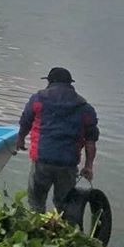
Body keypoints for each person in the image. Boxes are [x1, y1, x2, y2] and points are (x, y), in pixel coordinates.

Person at [16, 67, 99, 214]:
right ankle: (63, 231)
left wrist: (20, 140)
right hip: (68, 164)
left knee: (36, 203)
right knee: (64, 206)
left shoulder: (38, 100)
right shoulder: (85, 108)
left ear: (50, 81)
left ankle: (36, 230)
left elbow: (25, 122)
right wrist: (88, 166)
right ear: (69, 83)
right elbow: (91, 141)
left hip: (42, 160)